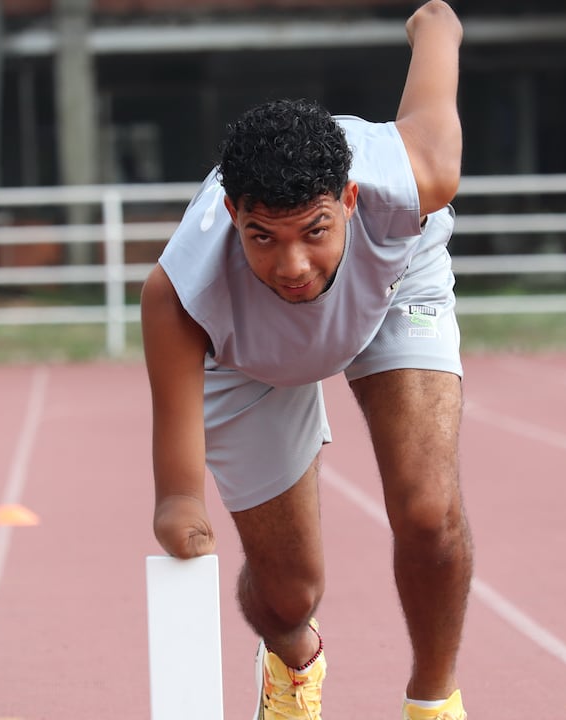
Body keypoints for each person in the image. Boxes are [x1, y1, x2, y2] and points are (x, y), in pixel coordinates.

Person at [140, 2, 471, 718]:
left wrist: (434, 26)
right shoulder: (182, 295)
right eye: (264, 237)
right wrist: (183, 520)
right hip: (250, 357)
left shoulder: (412, 179)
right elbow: (177, 493)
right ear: (234, 218)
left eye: (313, 231)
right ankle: (292, 661)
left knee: (428, 515)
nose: (292, 264)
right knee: (288, 592)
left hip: (391, 282)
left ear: (349, 200)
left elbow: (437, 49)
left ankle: (433, 702)